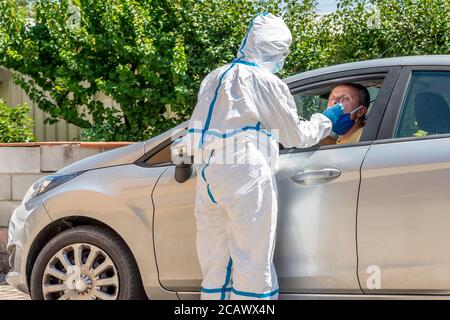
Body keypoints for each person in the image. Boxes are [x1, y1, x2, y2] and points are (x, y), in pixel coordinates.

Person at [171, 12, 338, 300]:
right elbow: (294, 136)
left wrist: (182, 153)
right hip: (244, 173)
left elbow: (198, 127)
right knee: (252, 260)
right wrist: (327, 119)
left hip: (209, 174)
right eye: (283, 52)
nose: (283, 58)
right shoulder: (265, 81)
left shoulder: (214, 77)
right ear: (274, 48)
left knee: (215, 263)